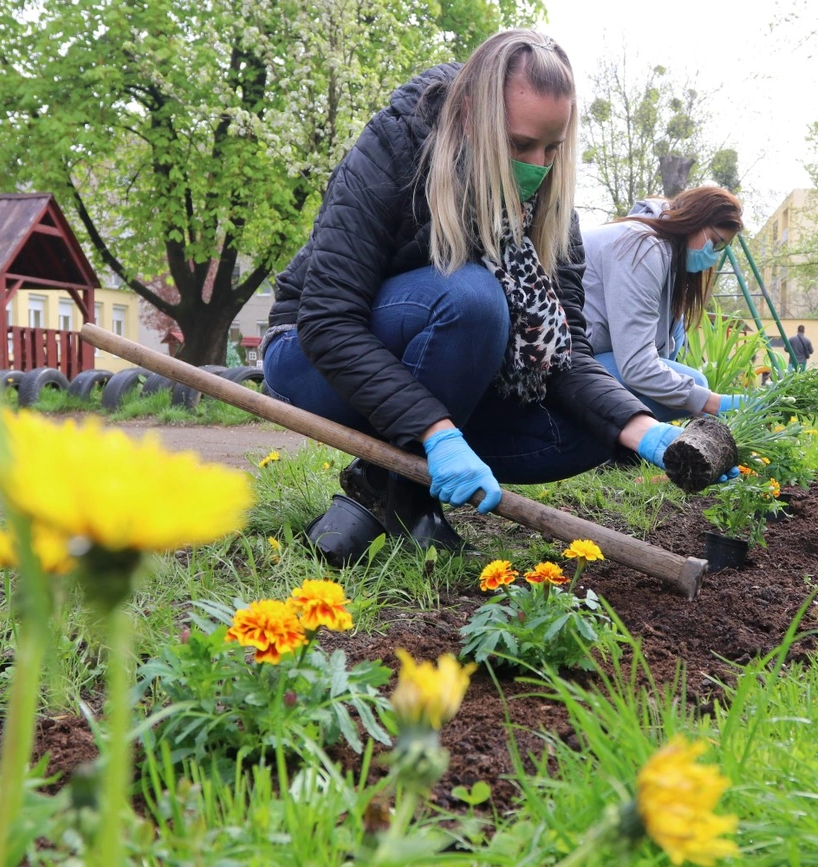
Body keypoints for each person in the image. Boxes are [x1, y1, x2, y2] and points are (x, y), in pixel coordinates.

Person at [260, 30, 695, 567]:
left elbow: (566, 358)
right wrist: (438, 433)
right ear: (471, 115)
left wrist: (647, 430)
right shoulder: (398, 146)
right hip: (310, 355)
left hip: (435, 365)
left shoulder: (551, 208)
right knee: (472, 300)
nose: (537, 165)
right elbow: (327, 321)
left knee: (591, 434)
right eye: (519, 145)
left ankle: (387, 482)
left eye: (551, 148)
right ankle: (411, 487)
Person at [581, 187, 751, 420]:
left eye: (722, 249)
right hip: (563, 366)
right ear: (695, 219)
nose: (714, 255)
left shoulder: (668, 263)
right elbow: (637, 367)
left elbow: (660, 359)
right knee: (697, 386)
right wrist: (714, 402)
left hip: (596, 359)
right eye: (715, 242)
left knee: (685, 376)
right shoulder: (642, 247)